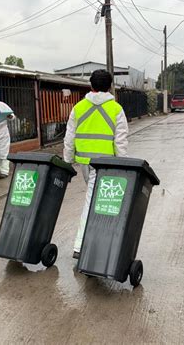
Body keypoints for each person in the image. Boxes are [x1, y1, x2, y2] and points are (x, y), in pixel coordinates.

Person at [63, 69, 129, 259]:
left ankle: (96, 241)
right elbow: (121, 141)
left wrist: (67, 162)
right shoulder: (116, 109)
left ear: (90, 85)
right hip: (107, 164)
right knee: (95, 202)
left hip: (85, 163)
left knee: (96, 200)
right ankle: (80, 245)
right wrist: (123, 166)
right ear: (110, 87)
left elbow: (69, 138)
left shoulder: (78, 107)